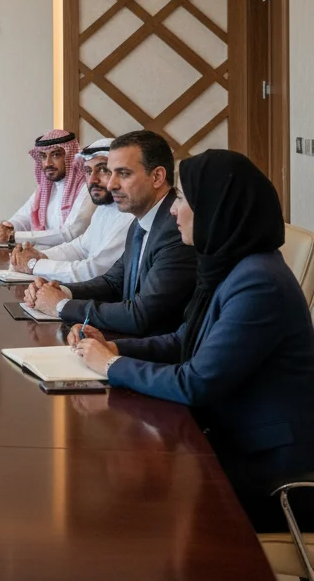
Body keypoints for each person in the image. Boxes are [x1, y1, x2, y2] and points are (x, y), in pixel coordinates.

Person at [73, 150, 314, 532]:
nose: (173, 210)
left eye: (183, 198)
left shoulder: (258, 282)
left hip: (266, 472)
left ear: (216, 207)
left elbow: (196, 382)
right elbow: (185, 339)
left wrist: (112, 366)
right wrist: (115, 348)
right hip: (229, 442)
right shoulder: (231, 264)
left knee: (139, 511)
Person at [24, 130, 195, 334]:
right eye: (111, 173)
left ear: (157, 177)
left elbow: (143, 315)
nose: (111, 184)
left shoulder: (175, 228)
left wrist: (62, 306)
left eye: (123, 174)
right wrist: (60, 291)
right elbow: (113, 282)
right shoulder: (142, 220)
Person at [10, 139, 133, 282]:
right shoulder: (105, 206)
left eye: (103, 170)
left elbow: (93, 270)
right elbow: (80, 248)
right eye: (88, 171)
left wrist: (35, 264)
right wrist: (40, 256)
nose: (93, 179)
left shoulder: (129, 213)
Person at [0, 129, 92, 245]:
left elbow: (71, 233)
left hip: (72, 259)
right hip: (45, 256)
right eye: (43, 156)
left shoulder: (86, 187)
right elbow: (24, 216)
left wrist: (13, 236)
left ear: (70, 156)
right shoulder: (46, 188)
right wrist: (7, 227)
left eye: (55, 155)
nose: (48, 163)